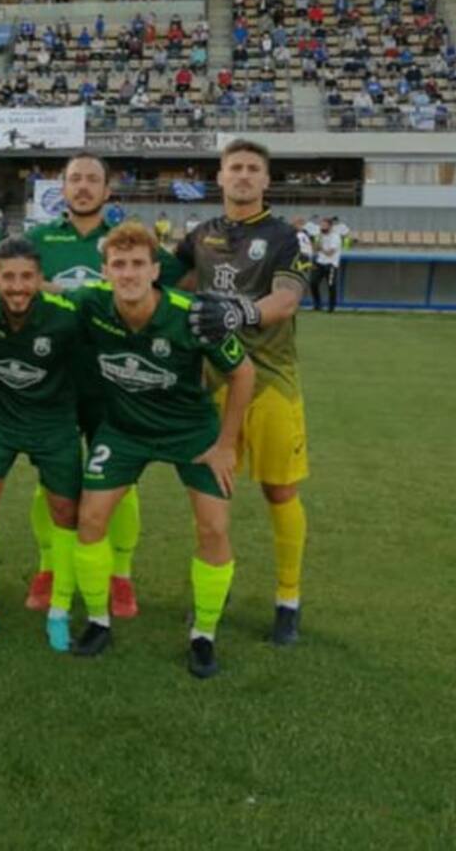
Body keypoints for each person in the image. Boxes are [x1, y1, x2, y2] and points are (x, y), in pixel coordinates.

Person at [71, 222, 254, 677]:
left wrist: (226, 445)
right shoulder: (91, 305)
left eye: (138, 264)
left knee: (214, 528)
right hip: (125, 430)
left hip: (191, 432)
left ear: (155, 271)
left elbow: (244, 373)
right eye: (119, 264)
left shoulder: (191, 315)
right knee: (90, 519)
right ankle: (98, 620)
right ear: (105, 272)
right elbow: (48, 293)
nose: (128, 273)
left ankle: (204, 635)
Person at [20, 153, 187, 616]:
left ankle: (120, 575)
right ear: (62, 187)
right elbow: (12, 283)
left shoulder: (128, 240)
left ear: (108, 190)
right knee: (52, 478)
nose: (83, 187)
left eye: (92, 179)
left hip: (114, 383)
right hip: (54, 379)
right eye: (74, 179)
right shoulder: (37, 239)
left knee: (120, 481)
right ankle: (49, 566)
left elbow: (175, 286)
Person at [177, 139, 313, 645]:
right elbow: (169, 284)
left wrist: (241, 312)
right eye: (235, 167)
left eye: (253, 168)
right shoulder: (200, 235)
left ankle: (288, 598)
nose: (243, 175)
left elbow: (286, 300)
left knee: (280, 491)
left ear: (266, 180)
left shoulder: (285, 237)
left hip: (271, 381)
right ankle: (218, 583)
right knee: (213, 494)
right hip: (213, 382)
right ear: (219, 177)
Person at [0, 237, 82, 652]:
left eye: (27, 277)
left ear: (40, 279)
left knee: (65, 513)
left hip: (54, 424)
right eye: (8, 277)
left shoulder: (66, 314)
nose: (17, 287)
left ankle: (60, 609)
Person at [310, 218, 342, 313]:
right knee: (313, 282)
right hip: (320, 262)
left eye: (324, 225)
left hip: (331, 264)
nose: (322, 227)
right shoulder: (320, 236)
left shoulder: (335, 237)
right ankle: (317, 304)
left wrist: (320, 248)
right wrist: (315, 243)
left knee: (331, 285)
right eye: (321, 225)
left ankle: (331, 307)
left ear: (330, 226)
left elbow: (330, 253)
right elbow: (315, 249)